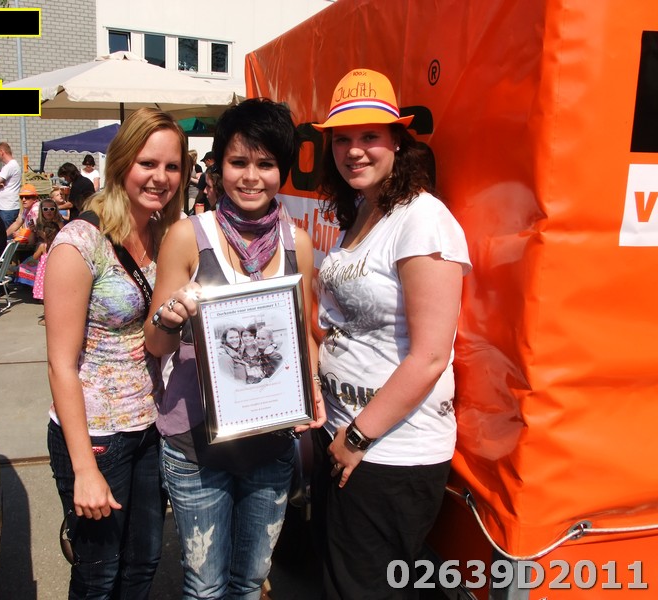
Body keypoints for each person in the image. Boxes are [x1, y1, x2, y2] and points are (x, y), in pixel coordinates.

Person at [143, 98, 326, 599]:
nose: (251, 177)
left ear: (282, 171)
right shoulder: (187, 236)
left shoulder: (297, 244)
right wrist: (171, 316)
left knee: (249, 581)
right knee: (205, 588)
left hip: (271, 445)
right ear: (218, 166)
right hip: (195, 445)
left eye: (265, 164)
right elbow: (155, 343)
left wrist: (309, 386)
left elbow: (301, 335)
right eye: (238, 162)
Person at [310, 68, 472, 599]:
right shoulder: (365, 210)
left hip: (389, 451)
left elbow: (430, 356)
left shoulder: (422, 219)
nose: (354, 150)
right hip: (345, 434)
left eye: (369, 136)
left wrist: (358, 437)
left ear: (397, 141)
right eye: (342, 139)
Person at [43, 107, 188, 599]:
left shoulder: (164, 234)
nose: (160, 177)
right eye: (148, 163)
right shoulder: (80, 242)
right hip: (97, 434)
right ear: (123, 162)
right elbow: (61, 364)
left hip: (150, 424)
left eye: (172, 166)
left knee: (144, 563)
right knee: (98, 575)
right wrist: (84, 468)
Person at [0, 141, 22, 230]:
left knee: (6, 234)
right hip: (4, 207)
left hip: (6, 208)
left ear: (2, 152)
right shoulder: (11, 166)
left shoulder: (10, 166)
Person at [31, 220, 60, 304]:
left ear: (45, 234)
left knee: (43, 283)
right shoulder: (57, 245)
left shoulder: (43, 246)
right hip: (54, 269)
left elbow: (35, 257)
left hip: (44, 272)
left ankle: (43, 298)